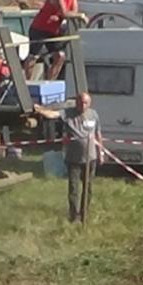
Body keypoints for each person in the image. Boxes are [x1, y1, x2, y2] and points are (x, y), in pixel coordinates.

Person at [36, 93, 103, 223]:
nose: (82, 105)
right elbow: (52, 115)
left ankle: (84, 213)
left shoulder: (94, 114)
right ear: (76, 102)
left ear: (90, 103)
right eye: (80, 102)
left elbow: (98, 134)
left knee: (88, 187)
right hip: (73, 159)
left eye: (85, 103)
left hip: (90, 158)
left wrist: (101, 152)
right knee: (73, 188)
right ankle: (73, 216)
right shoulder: (68, 113)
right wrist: (39, 110)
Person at [24, 0, 86, 80]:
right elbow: (65, 12)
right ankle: (27, 81)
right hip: (39, 28)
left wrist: (69, 15)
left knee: (60, 56)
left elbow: (73, 10)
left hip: (53, 30)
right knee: (34, 56)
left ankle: (50, 81)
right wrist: (80, 15)